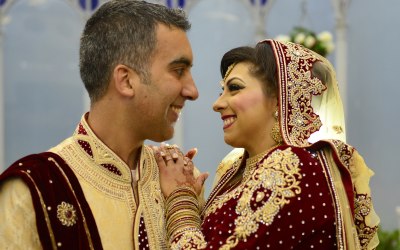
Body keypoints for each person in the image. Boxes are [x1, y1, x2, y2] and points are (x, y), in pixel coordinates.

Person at [0, 0, 205, 249]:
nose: (193, 91)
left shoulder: (180, 182)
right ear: (126, 81)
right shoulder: (33, 193)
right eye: (179, 70)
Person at [155, 39, 380, 249]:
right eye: (220, 91)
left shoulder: (294, 166)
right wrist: (193, 199)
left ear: (278, 99)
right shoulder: (235, 172)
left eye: (234, 88)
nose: (217, 103)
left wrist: (180, 196)